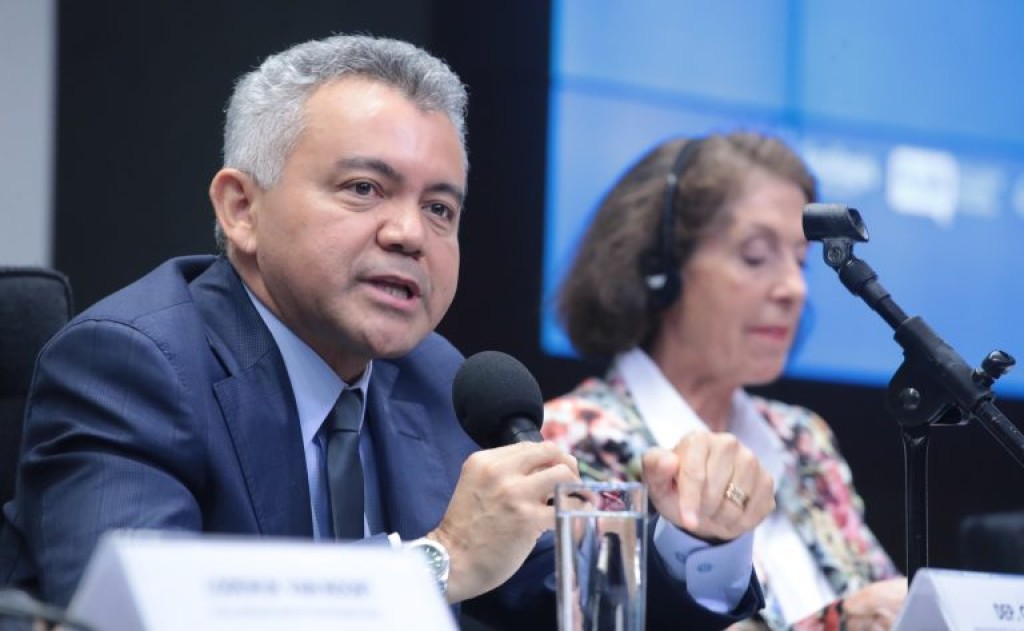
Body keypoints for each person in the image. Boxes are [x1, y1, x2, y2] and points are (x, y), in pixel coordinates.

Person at [0, 34, 772, 629]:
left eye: (440, 208)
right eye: (365, 188)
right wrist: (438, 561)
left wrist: (699, 537)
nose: (409, 233)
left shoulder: (437, 379)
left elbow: (547, 598)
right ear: (241, 209)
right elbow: (131, 619)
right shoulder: (131, 365)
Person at [542, 132, 907, 630]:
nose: (794, 288)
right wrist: (838, 623)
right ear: (660, 268)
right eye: (756, 256)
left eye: (800, 261)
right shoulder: (569, 439)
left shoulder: (803, 439)